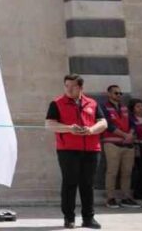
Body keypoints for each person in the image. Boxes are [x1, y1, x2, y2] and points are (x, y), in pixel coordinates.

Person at [45, 73, 106, 230]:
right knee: (70, 183)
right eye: (67, 86)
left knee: (88, 184)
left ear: (81, 87)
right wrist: (69, 129)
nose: (69, 89)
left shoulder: (92, 103)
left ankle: (88, 218)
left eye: (73, 86)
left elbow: (103, 123)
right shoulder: (57, 103)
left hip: (91, 149)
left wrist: (91, 130)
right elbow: (49, 125)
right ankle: (69, 218)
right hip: (68, 150)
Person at [101, 85, 139, 209]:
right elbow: (108, 125)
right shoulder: (103, 107)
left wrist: (131, 134)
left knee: (127, 172)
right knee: (112, 171)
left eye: (120, 93)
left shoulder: (124, 108)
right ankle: (110, 198)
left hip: (127, 145)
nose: (118, 95)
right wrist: (125, 135)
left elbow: (133, 123)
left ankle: (126, 197)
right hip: (112, 144)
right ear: (109, 94)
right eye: (115, 93)